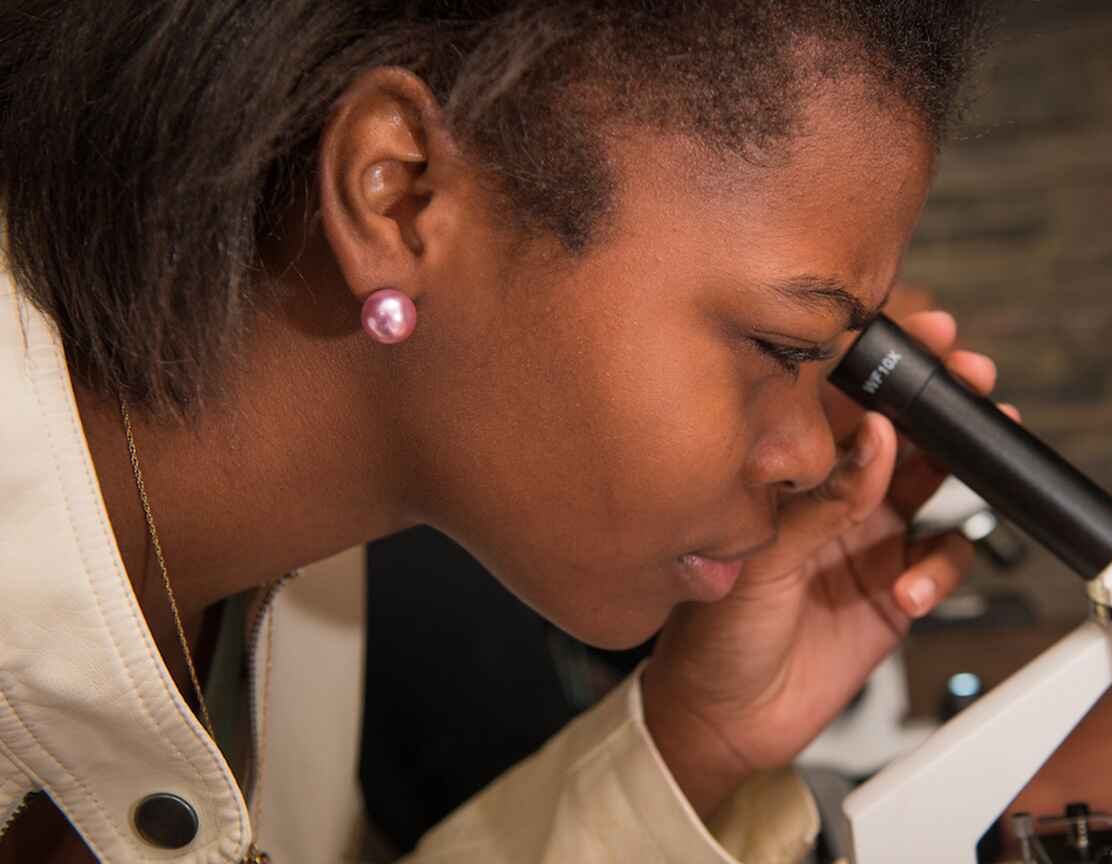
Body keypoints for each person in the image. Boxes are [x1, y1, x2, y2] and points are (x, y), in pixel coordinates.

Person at [0, 2, 1005, 861]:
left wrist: (690, 739)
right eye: (782, 348)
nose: (812, 454)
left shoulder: (306, 601)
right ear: (396, 195)